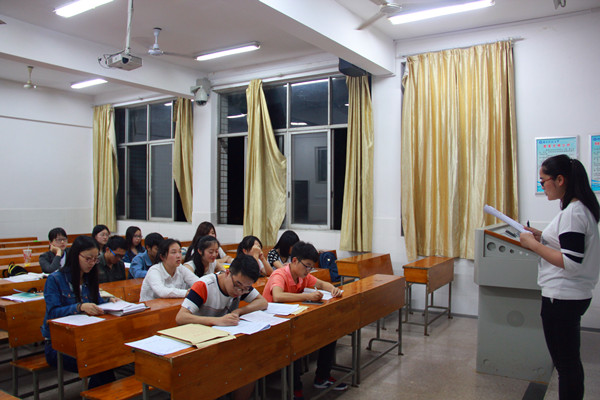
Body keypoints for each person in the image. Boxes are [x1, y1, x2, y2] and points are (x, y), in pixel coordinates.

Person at [520, 154, 600, 400]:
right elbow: (568, 245)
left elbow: (571, 262)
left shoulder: (573, 212)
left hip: (563, 297)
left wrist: (533, 245)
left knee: (566, 366)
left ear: (560, 180)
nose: (542, 186)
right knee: (568, 363)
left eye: (543, 181)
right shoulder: (578, 209)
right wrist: (542, 236)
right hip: (570, 296)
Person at [176, 254, 267, 400]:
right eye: (237, 286)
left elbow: (262, 302)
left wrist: (239, 311)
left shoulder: (243, 285)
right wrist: (217, 321)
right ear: (228, 273)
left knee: (250, 365)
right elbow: (181, 317)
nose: (239, 292)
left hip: (225, 342)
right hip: (200, 345)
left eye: (245, 289)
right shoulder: (205, 285)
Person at [262, 241, 345, 399]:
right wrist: (307, 296)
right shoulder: (280, 274)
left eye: (311, 267)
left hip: (292, 320)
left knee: (330, 333)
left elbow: (321, 283)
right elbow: (278, 296)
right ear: (295, 261)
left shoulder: (302, 276)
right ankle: (295, 389)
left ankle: (322, 377)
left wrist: (333, 289)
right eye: (307, 266)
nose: (308, 270)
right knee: (296, 344)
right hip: (272, 325)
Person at [41, 235, 117, 388]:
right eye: (88, 259)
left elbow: (96, 303)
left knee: (111, 358)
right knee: (101, 364)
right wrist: (79, 307)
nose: (92, 263)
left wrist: (110, 302)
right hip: (59, 345)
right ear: (76, 256)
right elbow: (53, 313)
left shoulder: (90, 278)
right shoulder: (55, 280)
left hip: (88, 339)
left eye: (95, 259)